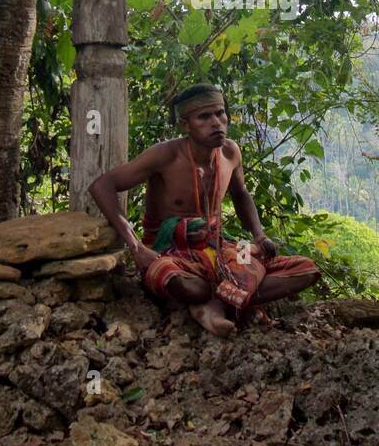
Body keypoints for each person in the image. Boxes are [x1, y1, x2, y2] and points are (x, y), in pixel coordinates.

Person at [89, 84, 320, 336]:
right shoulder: (165, 155)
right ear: (186, 125)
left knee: (305, 270)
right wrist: (137, 248)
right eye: (204, 117)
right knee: (183, 284)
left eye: (220, 114)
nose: (216, 123)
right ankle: (232, 297)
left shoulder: (230, 152)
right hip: (169, 251)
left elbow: (241, 194)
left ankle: (212, 305)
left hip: (219, 248)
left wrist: (259, 234)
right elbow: (102, 186)